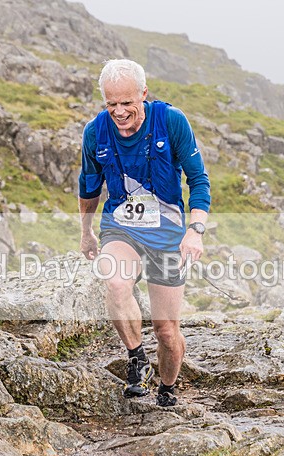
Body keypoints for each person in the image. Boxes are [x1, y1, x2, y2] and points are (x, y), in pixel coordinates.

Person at [78, 59, 211, 407]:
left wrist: (195, 231)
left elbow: (198, 181)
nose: (119, 112)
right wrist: (87, 232)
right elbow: (89, 187)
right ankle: (136, 356)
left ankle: (167, 387)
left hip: (168, 234)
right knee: (116, 281)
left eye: (126, 103)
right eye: (111, 104)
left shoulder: (171, 121)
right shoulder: (95, 132)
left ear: (143, 94)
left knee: (167, 331)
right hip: (121, 227)